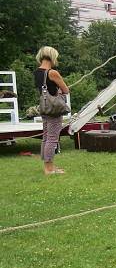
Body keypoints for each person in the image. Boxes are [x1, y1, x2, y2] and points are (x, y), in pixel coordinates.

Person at [34, 46, 69, 175]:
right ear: (53, 57)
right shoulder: (52, 72)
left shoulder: (37, 72)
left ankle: (48, 166)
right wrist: (60, 90)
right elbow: (65, 90)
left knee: (46, 137)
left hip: (44, 107)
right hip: (54, 109)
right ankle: (49, 169)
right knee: (52, 138)